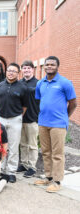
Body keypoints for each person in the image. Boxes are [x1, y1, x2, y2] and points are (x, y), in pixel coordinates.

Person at [34, 56, 77, 193]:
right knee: (46, 152)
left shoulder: (65, 83)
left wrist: (64, 117)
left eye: (52, 64)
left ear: (57, 66)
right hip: (43, 122)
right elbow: (40, 101)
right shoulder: (40, 83)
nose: (49, 66)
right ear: (44, 67)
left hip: (58, 124)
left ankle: (57, 182)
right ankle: (48, 177)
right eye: (47, 64)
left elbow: (73, 104)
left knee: (57, 153)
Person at [0, 63, 28, 183]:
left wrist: (18, 116)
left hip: (15, 119)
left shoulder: (23, 87)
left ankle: (11, 172)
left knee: (14, 147)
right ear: (6, 71)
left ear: (18, 73)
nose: (11, 73)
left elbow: (25, 105)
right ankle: (2, 170)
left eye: (14, 71)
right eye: (9, 70)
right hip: (1, 119)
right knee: (1, 146)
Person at [17, 60, 40, 178]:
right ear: (22, 70)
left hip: (32, 118)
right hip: (20, 119)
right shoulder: (19, 83)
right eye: (24, 68)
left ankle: (32, 167)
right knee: (23, 144)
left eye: (28, 68)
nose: (26, 70)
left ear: (33, 69)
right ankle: (24, 164)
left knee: (32, 144)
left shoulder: (38, 83)